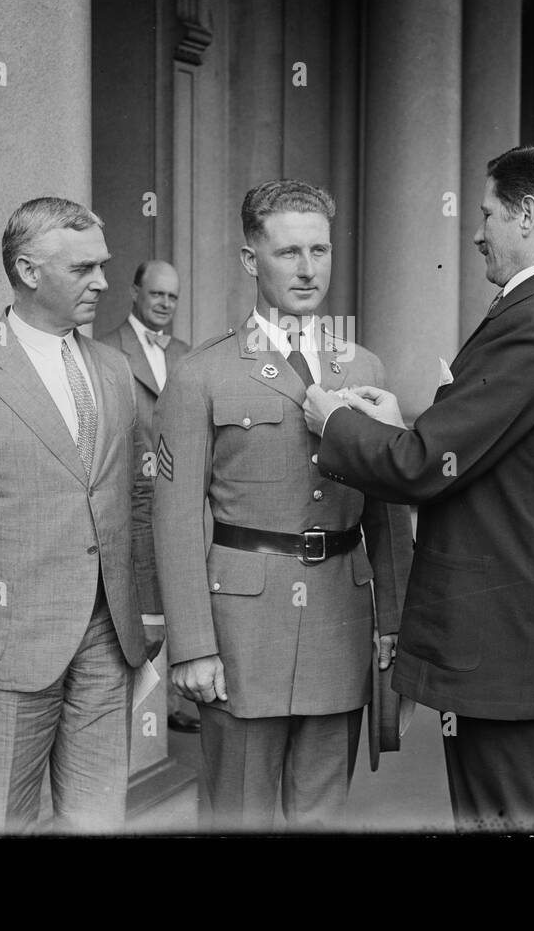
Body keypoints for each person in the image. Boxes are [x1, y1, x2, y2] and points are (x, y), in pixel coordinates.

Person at [303, 142, 534, 832]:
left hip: (499, 628)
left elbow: (419, 467)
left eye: (489, 213)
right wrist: (408, 422)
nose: (476, 232)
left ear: (527, 214)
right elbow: (489, 445)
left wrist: (339, 421)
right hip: (518, 626)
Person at [153, 179, 413, 830]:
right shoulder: (201, 375)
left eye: (320, 251)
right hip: (241, 629)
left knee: (321, 813)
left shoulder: (363, 367)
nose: (307, 269)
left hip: (340, 616)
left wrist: (394, 622)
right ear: (250, 260)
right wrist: (191, 645)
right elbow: (176, 518)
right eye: (288, 252)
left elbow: (384, 510)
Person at [0, 197, 162, 833]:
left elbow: (134, 495)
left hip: (109, 636)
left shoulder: (114, 367)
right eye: (83, 269)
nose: (103, 282)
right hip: (4, 647)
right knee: (4, 822)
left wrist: (148, 606)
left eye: (103, 266)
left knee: (98, 819)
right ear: (27, 271)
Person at [98, 260, 199, 733]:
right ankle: (142, 705)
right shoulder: (105, 350)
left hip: (180, 498)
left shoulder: (186, 354)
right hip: (130, 499)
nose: (164, 303)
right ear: (135, 292)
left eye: (172, 297)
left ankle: (178, 699)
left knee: (181, 590)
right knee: (138, 596)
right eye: (156, 294)